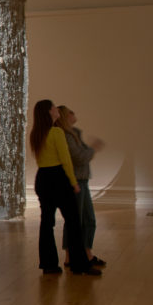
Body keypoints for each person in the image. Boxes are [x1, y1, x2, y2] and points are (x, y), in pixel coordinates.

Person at [30, 99, 99, 276]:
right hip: (58, 179)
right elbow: (66, 160)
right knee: (74, 221)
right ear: (49, 112)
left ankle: (48, 264)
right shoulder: (56, 132)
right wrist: (73, 182)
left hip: (42, 179)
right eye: (53, 107)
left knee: (47, 222)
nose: (56, 109)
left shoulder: (36, 134)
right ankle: (79, 265)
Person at [57, 106, 106, 268]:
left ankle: (85, 253)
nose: (74, 114)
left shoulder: (74, 133)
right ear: (65, 116)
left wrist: (90, 150)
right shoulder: (65, 135)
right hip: (75, 181)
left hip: (81, 181)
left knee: (87, 219)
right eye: (70, 112)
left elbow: (82, 155)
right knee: (76, 219)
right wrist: (93, 149)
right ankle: (71, 256)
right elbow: (79, 157)